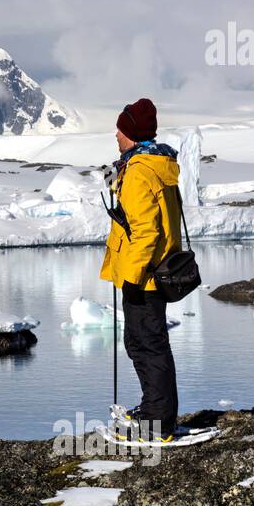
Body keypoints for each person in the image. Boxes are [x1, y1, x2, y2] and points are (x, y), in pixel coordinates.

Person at [99, 98, 182, 441]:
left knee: (145, 344)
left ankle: (157, 423)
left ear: (131, 133)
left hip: (143, 277)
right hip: (155, 270)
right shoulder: (154, 166)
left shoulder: (138, 173)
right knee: (149, 343)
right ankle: (156, 411)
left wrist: (131, 277)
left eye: (120, 128)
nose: (115, 134)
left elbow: (146, 230)